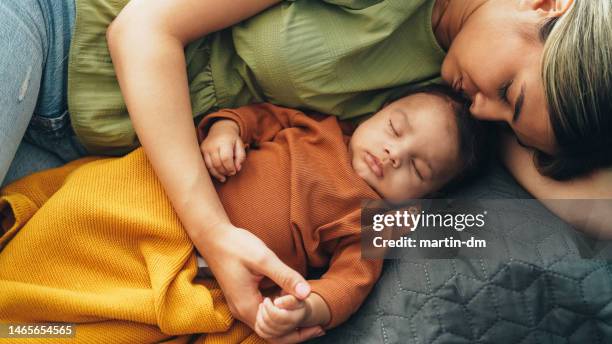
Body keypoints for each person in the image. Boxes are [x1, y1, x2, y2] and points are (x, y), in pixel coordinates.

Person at [1, 0, 610, 339]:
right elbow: (142, 28)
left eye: (507, 119)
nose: (487, 108)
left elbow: (597, 208)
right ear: (546, 2)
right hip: (53, 36)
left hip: (93, 163)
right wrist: (215, 233)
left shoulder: (453, 114)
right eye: (509, 92)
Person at [0, 87, 487, 342]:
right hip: (153, 200)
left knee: (98, 322)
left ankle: (24, 332)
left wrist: (306, 306)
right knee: (75, 212)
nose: (393, 153)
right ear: (376, 113)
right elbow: (253, 117)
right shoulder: (317, 127)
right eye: (395, 128)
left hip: (192, 267)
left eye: (418, 167)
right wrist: (224, 133)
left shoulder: (372, 221)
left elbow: (350, 283)